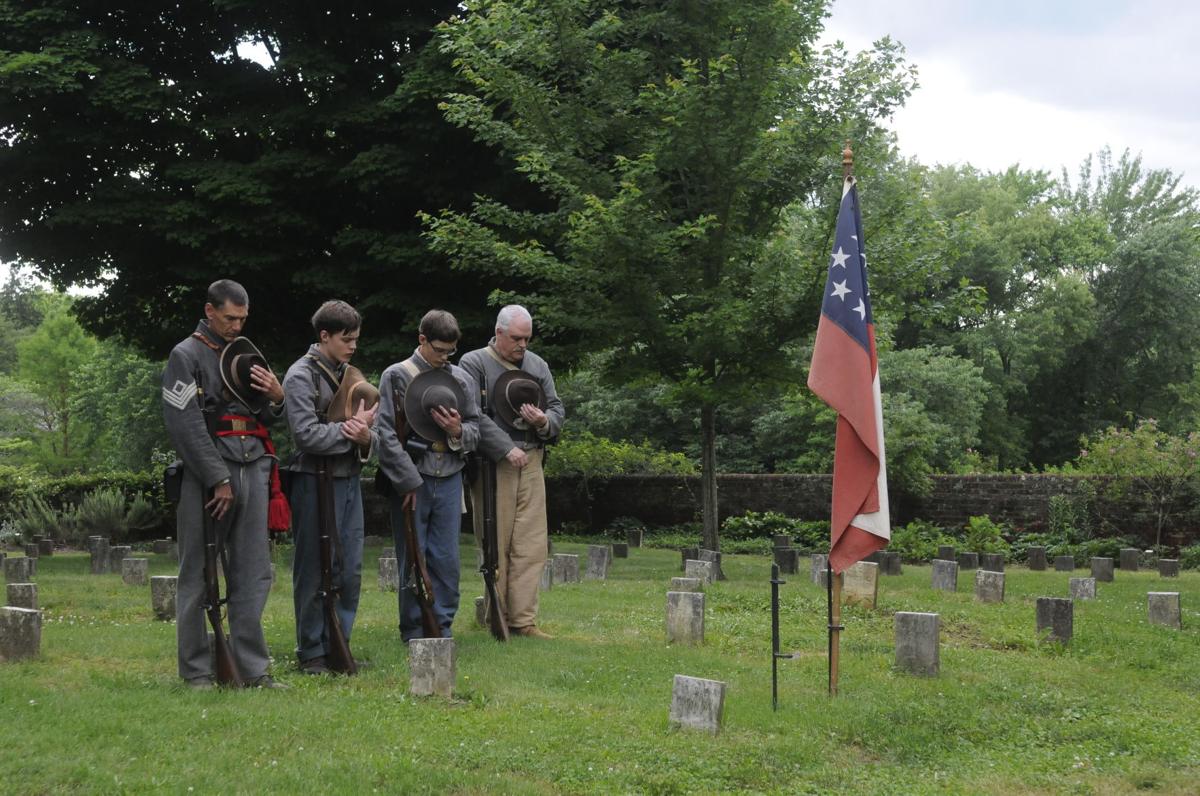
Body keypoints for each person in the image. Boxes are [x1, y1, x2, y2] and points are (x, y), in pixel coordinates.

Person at [161, 279, 288, 689]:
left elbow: (267, 419)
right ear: (210, 310)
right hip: (208, 475)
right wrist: (217, 477)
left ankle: (253, 668)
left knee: (254, 572)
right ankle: (197, 671)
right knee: (197, 574)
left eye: (242, 318)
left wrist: (278, 396)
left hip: (254, 465)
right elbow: (185, 424)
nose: (236, 325)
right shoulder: (185, 355)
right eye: (230, 317)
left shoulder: (245, 353)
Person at [282, 300, 377, 675]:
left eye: (355, 339)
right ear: (324, 336)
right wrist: (350, 432)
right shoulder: (300, 376)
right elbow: (305, 434)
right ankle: (312, 652)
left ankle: (340, 644)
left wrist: (365, 436)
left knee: (349, 568)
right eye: (345, 339)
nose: (352, 346)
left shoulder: (351, 373)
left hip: (347, 478)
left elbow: (375, 434)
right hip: (312, 481)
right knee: (313, 567)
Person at [460, 305, 565, 639]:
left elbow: (556, 407)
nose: (523, 345)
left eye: (527, 338)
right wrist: (505, 447)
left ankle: (523, 620)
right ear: (499, 332)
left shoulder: (537, 365)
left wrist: (543, 421)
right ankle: (498, 616)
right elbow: (471, 413)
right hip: (494, 464)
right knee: (496, 541)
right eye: (517, 338)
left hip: (532, 458)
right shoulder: (473, 362)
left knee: (531, 543)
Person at [376, 309, 480, 640]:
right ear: (422, 339)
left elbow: (478, 428)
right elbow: (386, 434)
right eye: (439, 350)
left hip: (449, 475)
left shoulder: (461, 379)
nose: (445, 357)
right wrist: (407, 479)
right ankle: (413, 628)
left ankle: (442, 626)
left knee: (446, 558)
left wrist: (457, 429)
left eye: (451, 351)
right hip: (413, 477)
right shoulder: (396, 375)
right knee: (412, 555)